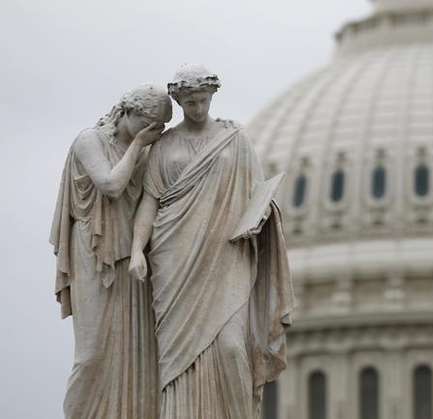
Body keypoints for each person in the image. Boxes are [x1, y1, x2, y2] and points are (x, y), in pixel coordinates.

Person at [129, 65, 294, 419]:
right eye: (190, 102)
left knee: (233, 347)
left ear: (212, 97)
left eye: (202, 100)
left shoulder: (235, 139)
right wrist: (135, 252)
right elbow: (149, 201)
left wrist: (260, 218)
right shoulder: (165, 146)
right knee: (176, 357)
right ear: (180, 101)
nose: (198, 108)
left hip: (227, 254)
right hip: (174, 259)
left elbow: (257, 195)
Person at [50, 84, 172, 419]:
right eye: (150, 123)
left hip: (132, 255)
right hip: (93, 248)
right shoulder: (90, 140)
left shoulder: (146, 149)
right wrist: (138, 145)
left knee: (135, 352)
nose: (154, 132)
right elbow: (111, 185)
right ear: (129, 112)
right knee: (91, 354)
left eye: (160, 127)